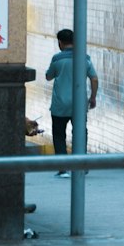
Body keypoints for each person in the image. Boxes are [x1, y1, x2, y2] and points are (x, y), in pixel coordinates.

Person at [46, 28, 98, 177]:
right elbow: (94, 79)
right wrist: (93, 97)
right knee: (80, 133)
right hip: (79, 104)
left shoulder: (57, 59)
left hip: (60, 105)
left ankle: (63, 169)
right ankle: (81, 165)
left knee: (59, 135)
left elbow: (49, 76)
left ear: (60, 43)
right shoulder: (85, 58)